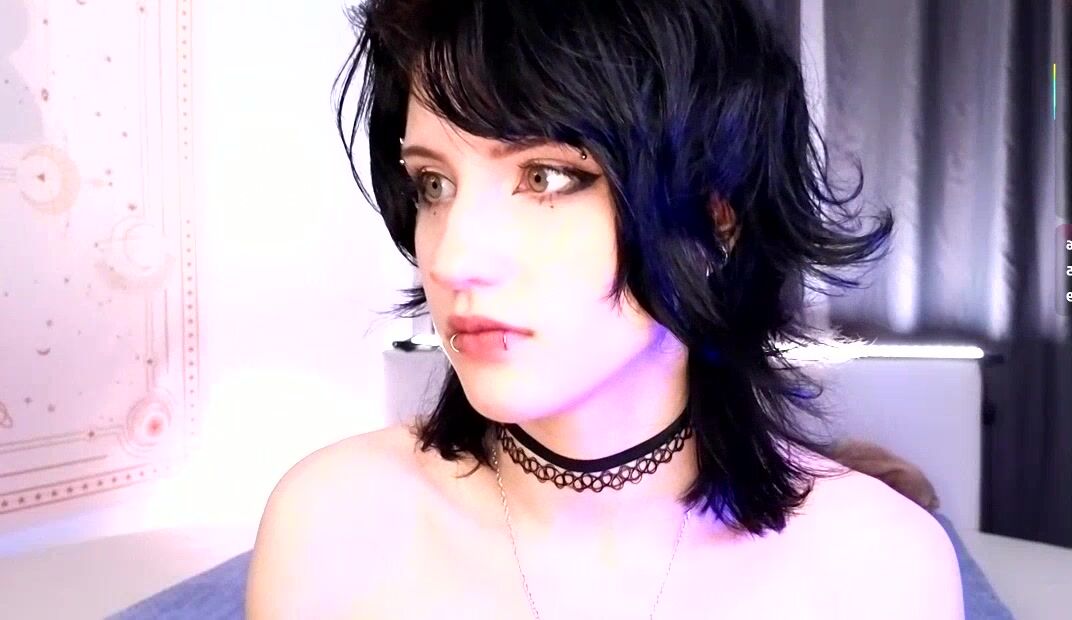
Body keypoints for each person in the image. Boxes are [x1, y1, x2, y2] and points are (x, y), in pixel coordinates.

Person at [245, 0, 965, 618]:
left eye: (546, 177)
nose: (453, 258)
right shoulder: (329, 527)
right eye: (434, 184)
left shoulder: (882, 568)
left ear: (716, 218)